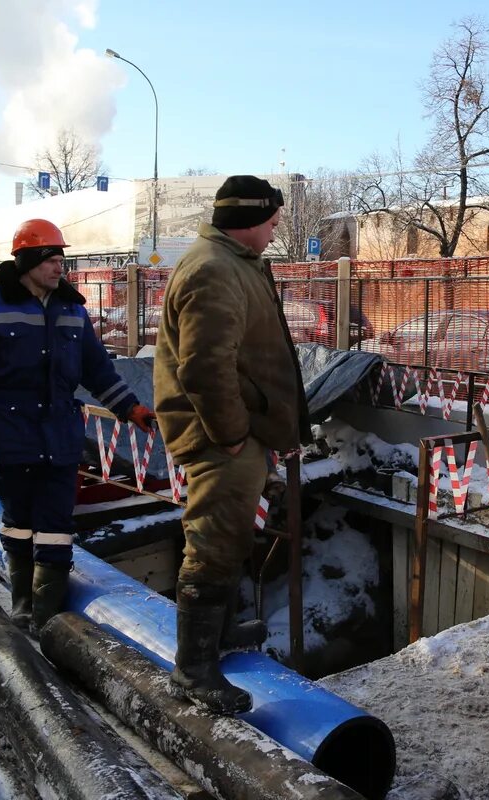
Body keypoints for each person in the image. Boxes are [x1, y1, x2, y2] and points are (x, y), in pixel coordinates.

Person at [0, 218, 154, 633]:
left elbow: (98, 370)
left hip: (59, 435)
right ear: (26, 262)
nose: (60, 267)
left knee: (57, 527)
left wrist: (130, 408)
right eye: (50, 259)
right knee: (19, 523)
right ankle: (22, 607)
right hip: (11, 434)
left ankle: (48, 618)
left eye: (62, 259)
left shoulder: (73, 311)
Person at [153, 175, 310, 715]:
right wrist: (233, 435)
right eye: (271, 220)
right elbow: (205, 368)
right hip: (221, 437)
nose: (275, 229)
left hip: (238, 434)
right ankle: (194, 670)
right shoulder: (214, 269)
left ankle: (213, 638)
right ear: (248, 220)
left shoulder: (232, 264)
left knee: (230, 535)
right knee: (214, 541)